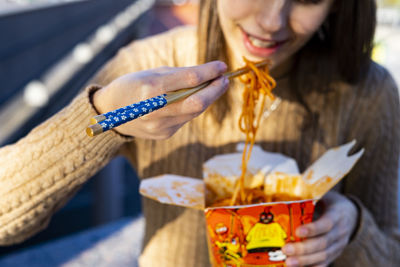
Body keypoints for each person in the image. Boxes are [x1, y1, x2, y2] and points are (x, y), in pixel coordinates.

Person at [0, 0, 399, 266]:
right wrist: (107, 116)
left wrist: (353, 228)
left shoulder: (367, 92)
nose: (271, 21)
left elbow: (391, 248)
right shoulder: (150, 64)